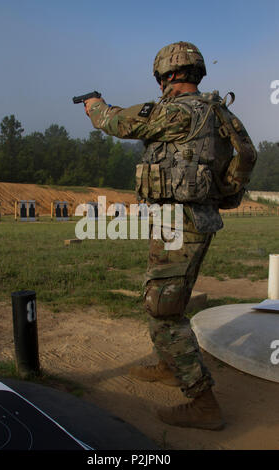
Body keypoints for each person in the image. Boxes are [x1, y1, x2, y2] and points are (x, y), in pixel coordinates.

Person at [83, 41, 250, 431]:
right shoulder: (215, 110)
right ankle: (168, 365)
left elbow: (118, 123)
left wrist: (94, 105)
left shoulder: (179, 111)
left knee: (163, 312)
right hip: (195, 218)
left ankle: (203, 402)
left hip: (180, 223)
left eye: (161, 77)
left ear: (168, 75)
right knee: (170, 299)